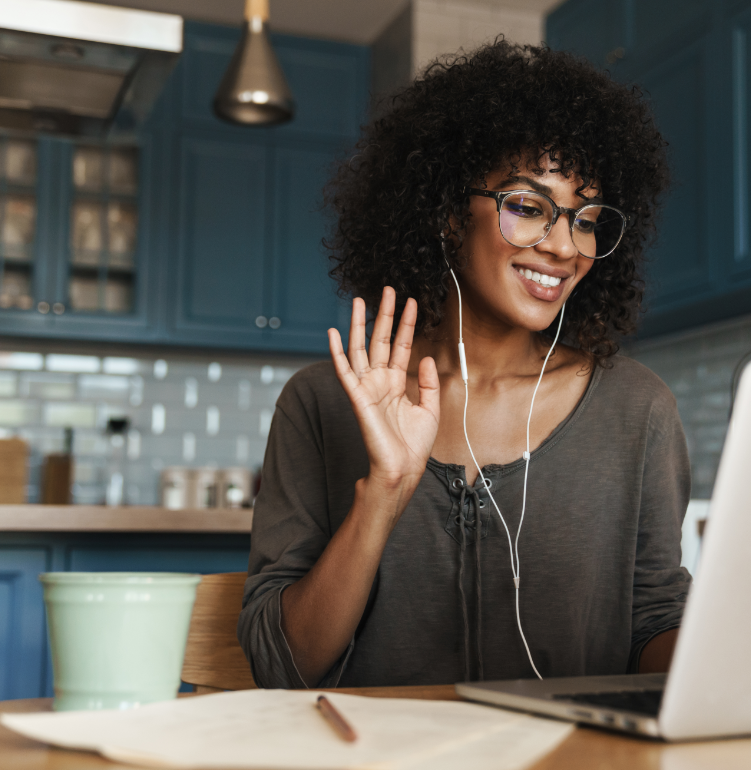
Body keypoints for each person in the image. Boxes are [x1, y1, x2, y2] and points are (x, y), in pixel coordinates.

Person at [238, 40, 690, 689]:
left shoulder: (637, 409)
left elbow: (653, 623)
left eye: (587, 219)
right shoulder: (322, 403)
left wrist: (739, 660)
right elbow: (282, 666)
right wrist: (383, 497)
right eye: (529, 207)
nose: (564, 246)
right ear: (449, 213)